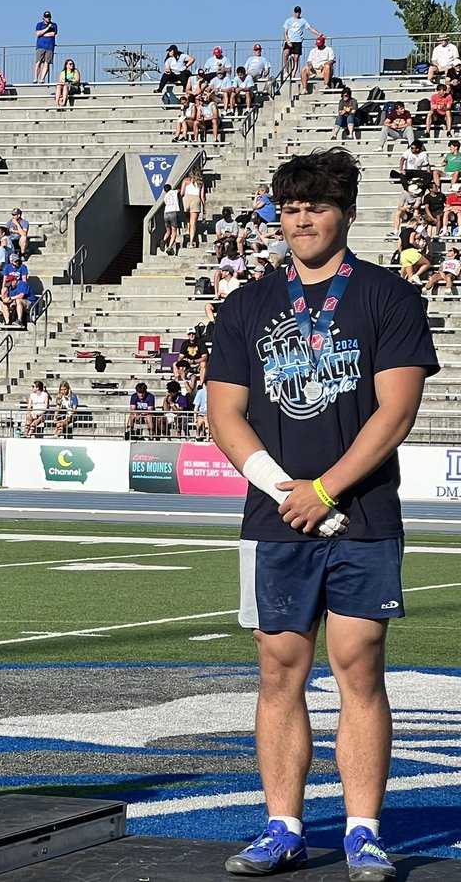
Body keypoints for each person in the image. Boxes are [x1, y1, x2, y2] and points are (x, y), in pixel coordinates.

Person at [206, 148, 438, 880]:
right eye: (292, 207)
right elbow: (224, 414)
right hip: (276, 517)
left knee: (359, 666)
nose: (303, 218)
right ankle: (283, 826)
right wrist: (286, 490)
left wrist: (328, 490)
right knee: (279, 669)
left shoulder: (388, 298)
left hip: (362, 515)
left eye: (318, 206)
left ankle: (363, 830)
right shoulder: (246, 305)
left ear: (345, 213)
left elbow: (396, 411)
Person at [282, 6, 323, 80]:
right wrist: (288, 41)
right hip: (289, 41)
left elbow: (310, 28)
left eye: (299, 12)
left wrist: (320, 34)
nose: (297, 14)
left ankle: (293, 74)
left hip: (298, 41)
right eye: (296, 12)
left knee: (296, 58)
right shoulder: (288, 21)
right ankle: (286, 71)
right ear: (294, 12)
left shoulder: (303, 21)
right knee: (286, 54)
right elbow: (285, 32)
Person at [33, 11, 57, 83]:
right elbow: (37, 33)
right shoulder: (39, 24)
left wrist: (42, 34)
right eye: (46, 17)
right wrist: (46, 29)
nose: (48, 18)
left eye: (49, 17)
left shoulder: (54, 25)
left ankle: (42, 78)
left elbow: (53, 34)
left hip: (49, 47)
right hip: (40, 46)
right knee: (38, 62)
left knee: (46, 63)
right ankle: (35, 78)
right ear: (43, 18)